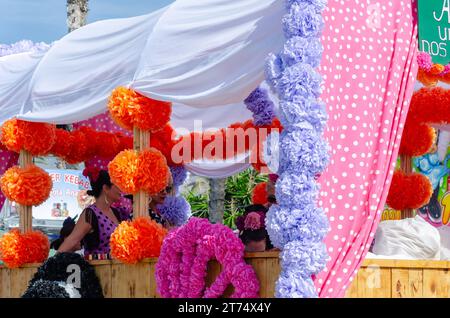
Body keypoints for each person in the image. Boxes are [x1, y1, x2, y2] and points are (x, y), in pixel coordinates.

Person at [57, 168, 130, 257]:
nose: (121, 189)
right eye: (117, 185)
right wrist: (51, 264)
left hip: (119, 268)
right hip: (98, 268)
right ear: (106, 188)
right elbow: (72, 240)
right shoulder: (90, 214)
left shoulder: (117, 213)